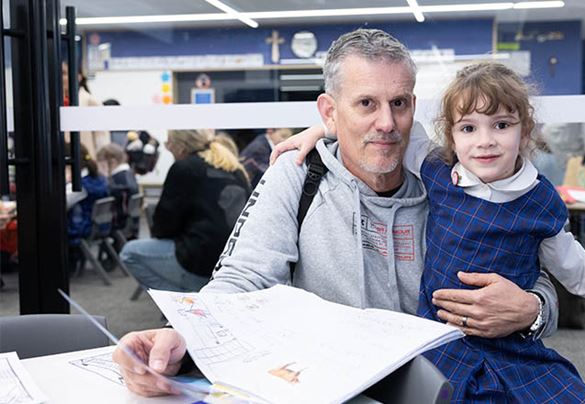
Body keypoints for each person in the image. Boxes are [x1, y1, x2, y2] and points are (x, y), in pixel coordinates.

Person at [113, 29, 560, 397]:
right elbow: (243, 278)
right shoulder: (296, 174)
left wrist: (533, 311)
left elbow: (533, 275)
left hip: (449, 385)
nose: (386, 123)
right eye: (366, 104)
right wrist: (181, 333)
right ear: (330, 111)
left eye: (399, 103)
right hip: (329, 388)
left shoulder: (453, 180)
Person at [277, 62, 585, 402]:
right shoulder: (437, 170)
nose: (485, 141)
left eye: (501, 125)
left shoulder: (540, 201)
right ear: (451, 137)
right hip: (442, 346)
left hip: (514, 349)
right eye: (468, 128)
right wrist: (322, 132)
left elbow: (577, 269)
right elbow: (381, 131)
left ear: (525, 131)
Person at [119, 129, 251, 293]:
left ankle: (181, 299)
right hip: (234, 260)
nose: (167, 147)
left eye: (168, 143)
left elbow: (163, 227)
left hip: (199, 261)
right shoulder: (234, 168)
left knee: (129, 253)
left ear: (180, 147)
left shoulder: (183, 168)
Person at [66, 143, 109, 273]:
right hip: (97, 226)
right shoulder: (98, 179)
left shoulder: (79, 186)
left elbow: (61, 204)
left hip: (80, 228)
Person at [96, 143, 140, 245]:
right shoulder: (129, 174)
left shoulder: (117, 180)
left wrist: (103, 177)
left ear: (113, 162)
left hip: (117, 224)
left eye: (101, 163)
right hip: (130, 225)